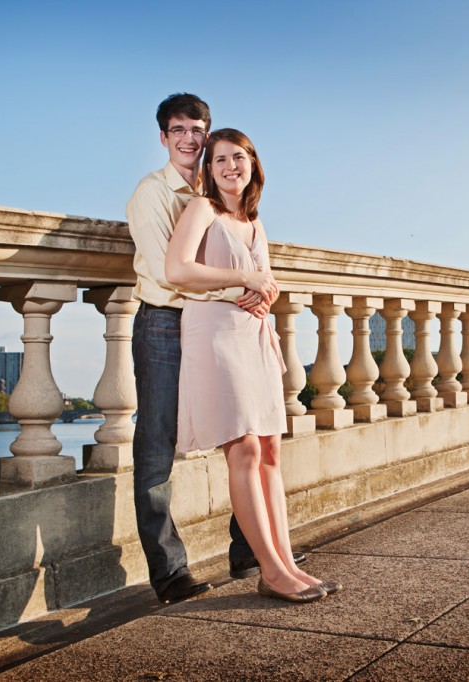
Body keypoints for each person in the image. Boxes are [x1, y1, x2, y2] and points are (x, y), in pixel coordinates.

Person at [126, 94, 303, 605]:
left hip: (219, 327)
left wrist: (255, 290)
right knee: (157, 448)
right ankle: (170, 572)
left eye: (196, 129)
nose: (188, 138)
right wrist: (240, 287)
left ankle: (253, 551)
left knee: (247, 436)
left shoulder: (223, 195)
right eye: (177, 130)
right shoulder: (152, 194)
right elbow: (167, 273)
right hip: (165, 323)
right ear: (163, 138)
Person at [166, 129, 342, 603]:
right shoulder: (203, 209)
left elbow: (264, 276)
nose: (229, 167)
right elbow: (177, 270)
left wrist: (270, 290)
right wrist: (246, 276)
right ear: (209, 169)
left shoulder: (255, 220)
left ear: (252, 163)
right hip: (216, 336)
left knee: (270, 452)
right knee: (242, 449)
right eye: (219, 159)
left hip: (254, 336)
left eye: (237, 157)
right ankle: (271, 570)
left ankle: (285, 564)